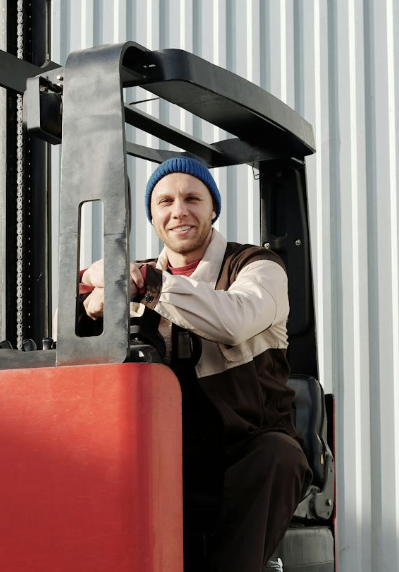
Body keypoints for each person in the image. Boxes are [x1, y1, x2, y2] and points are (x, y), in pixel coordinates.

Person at [77, 156, 311, 572]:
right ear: (152, 216)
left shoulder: (256, 266)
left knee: (278, 456)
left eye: (192, 199)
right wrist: (89, 306)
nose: (178, 211)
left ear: (213, 208)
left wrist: (147, 285)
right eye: (165, 202)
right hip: (163, 449)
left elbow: (233, 320)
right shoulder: (134, 276)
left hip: (242, 445)